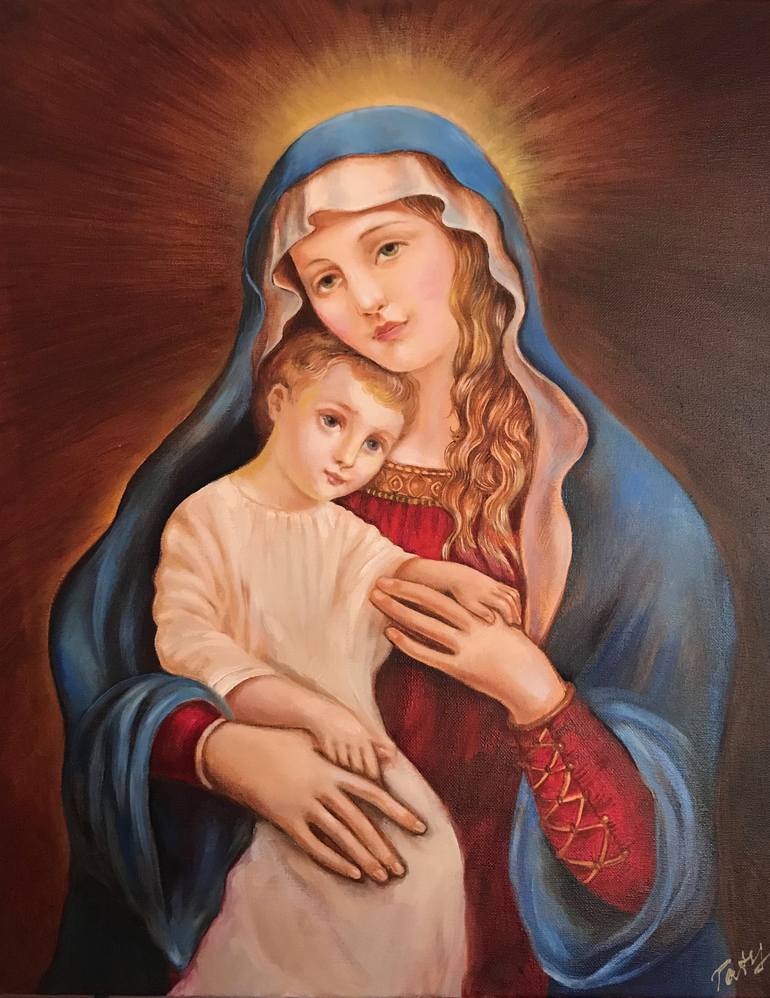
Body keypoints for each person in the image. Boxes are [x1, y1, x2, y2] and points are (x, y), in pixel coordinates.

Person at [43, 107, 736, 998]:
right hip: (299, 920)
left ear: (471, 240)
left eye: (388, 249)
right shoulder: (255, 483)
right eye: (326, 278)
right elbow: (116, 696)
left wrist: (534, 695)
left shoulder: (615, 515)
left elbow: (646, 880)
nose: (366, 299)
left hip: (504, 955)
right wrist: (223, 752)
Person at [153, 326, 521, 996]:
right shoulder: (207, 517)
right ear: (278, 403)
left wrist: (453, 579)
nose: (351, 456)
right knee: (307, 900)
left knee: (429, 866)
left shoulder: (338, 527)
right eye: (333, 421)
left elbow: (389, 569)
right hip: (272, 744)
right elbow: (191, 644)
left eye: (375, 442)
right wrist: (311, 713)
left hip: (357, 741)